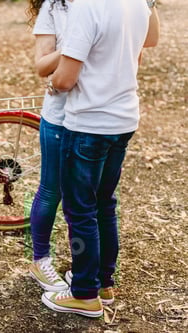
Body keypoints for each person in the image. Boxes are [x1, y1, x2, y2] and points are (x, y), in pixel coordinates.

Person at [41, 0, 160, 318]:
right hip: (123, 120)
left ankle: (83, 293)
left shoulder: (87, 6)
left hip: (88, 124)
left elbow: (65, 78)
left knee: (80, 210)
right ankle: (103, 282)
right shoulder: (137, 4)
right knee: (104, 204)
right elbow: (138, 56)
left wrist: (51, 86)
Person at [26, 0, 73, 292]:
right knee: (51, 188)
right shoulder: (54, 9)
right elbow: (42, 66)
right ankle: (40, 261)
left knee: (83, 196)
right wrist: (75, 46)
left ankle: (83, 263)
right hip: (58, 116)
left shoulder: (106, 6)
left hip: (94, 116)